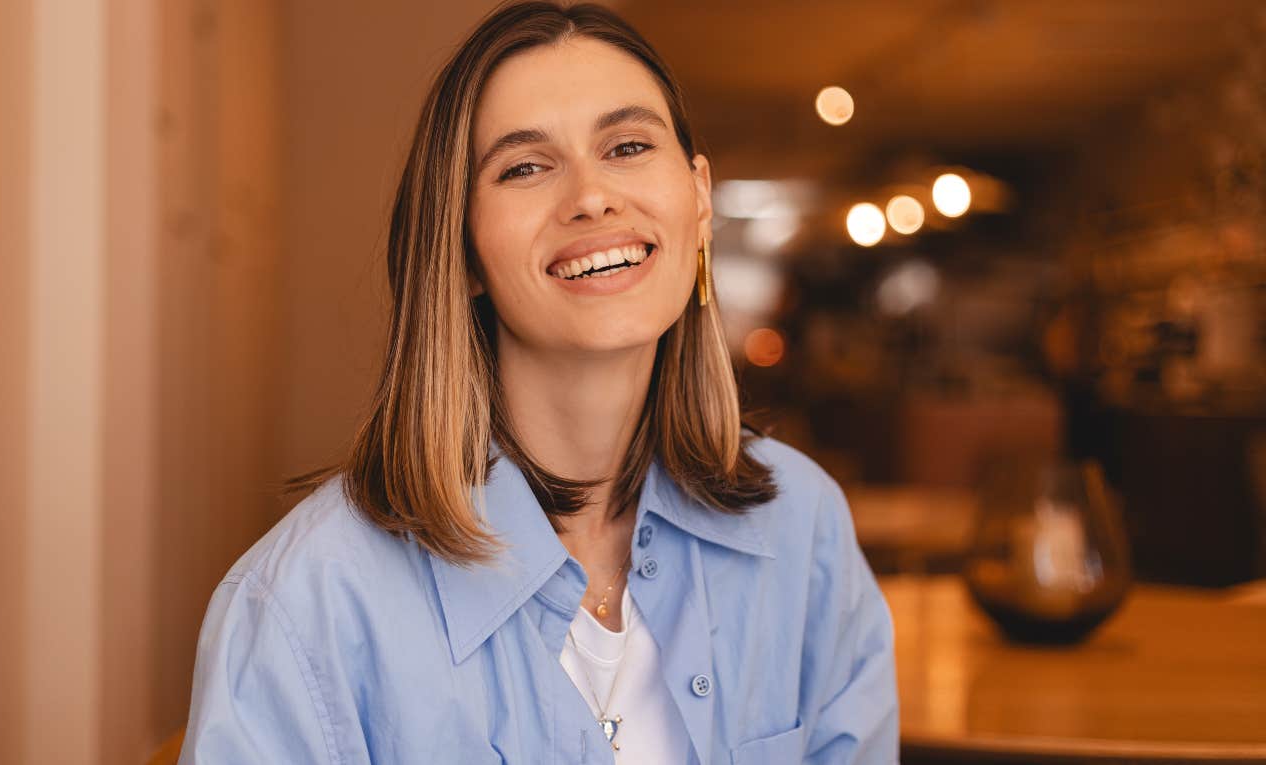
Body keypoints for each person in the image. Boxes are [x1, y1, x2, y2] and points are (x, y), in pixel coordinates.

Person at [177, 2, 898, 763]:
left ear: (699, 198)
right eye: (525, 166)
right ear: (461, 247)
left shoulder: (804, 529)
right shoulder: (306, 604)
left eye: (627, 146)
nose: (591, 196)